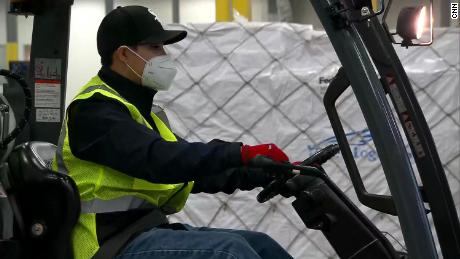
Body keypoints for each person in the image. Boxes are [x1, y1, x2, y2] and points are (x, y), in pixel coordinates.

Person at [53, 5, 294, 259]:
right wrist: (239, 153)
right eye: (155, 47)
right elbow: (159, 159)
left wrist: (265, 172)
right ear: (124, 54)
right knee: (230, 252)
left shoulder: (141, 113)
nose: (165, 55)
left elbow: (193, 173)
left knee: (262, 246)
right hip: (106, 244)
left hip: (144, 231)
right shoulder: (94, 111)